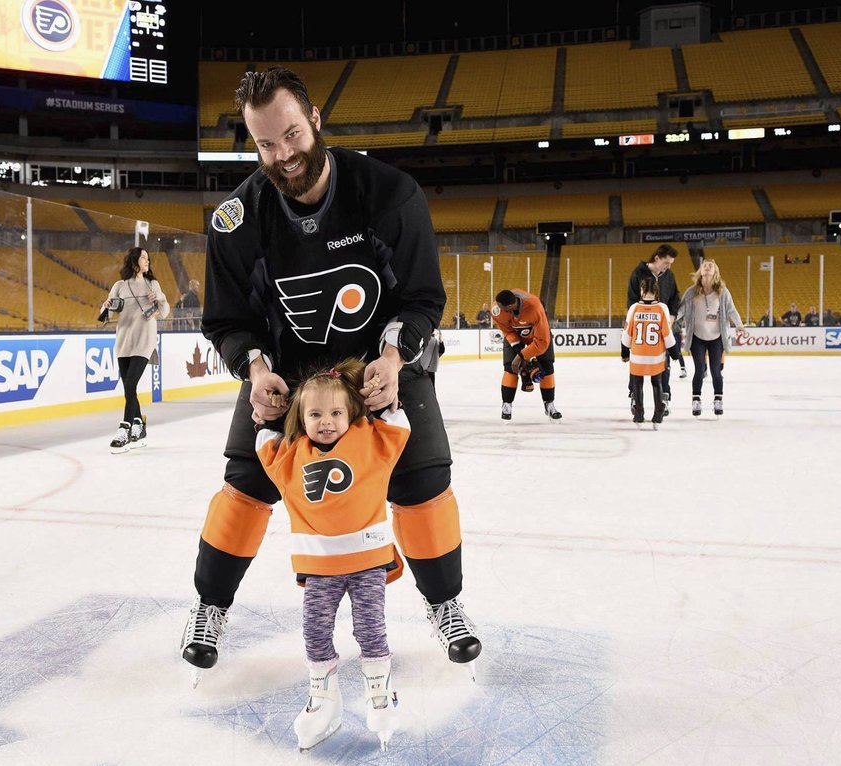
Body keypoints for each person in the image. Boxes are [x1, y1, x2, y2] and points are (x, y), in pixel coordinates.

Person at [179, 66, 480, 685]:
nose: (283, 155)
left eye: (291, 135)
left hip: (380, 363)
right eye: (266, 144)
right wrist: (256, 369)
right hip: (289, 374)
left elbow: (422, 297)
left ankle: (444, 603)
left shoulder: (389, 193)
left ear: (316, 121)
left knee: (423, 480)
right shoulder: (238, 219)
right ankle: (209, 608)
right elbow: (227, 320)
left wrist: (395, 361)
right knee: (246, 482)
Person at [254, 358, 408, 752]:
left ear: (351, 412)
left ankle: (381, 691)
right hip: (320, 568)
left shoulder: (371, 440)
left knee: (371, 628)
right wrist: (267, 411)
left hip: (367, 562)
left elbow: (396, 423)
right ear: (300, 417)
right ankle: (323, 697)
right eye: (316, 413)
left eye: (337, 412)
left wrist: (385, 398)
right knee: (315, 630)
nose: (327, 421)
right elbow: (265, 441)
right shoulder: (290, 455)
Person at [99, 246, 169, 452]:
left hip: (144, 340)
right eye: (144, 258)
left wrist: (157, 300)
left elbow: (164, 309)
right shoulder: (120, 286)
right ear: (134, 261)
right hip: (123, 341)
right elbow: (106, 312)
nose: (148, 261)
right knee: (130, 388)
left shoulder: (152, 284)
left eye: (148, 258)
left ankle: (125, 427)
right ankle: (139, 423)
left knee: (130, 384)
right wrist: (106, 306)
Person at [676, 259, 746, 417]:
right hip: (697, 337)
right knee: (700, 370)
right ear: (700, 271)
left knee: (716, 370)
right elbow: (682, 309)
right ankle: (696, 400)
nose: (707, 267)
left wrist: (739, 325)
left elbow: (731, 310)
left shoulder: (722, 292)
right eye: (704, 266)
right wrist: (672, 319)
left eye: (711, 266)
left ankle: (718, 399)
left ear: (715, 272)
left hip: (716, 337)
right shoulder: (691, 292)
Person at [491, 287, 562, 421]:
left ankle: (549, 404)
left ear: (511, 306)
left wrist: (522, 355)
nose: (498, 309)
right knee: (510, 368)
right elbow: (507, 331)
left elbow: (542, 342)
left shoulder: (535, 308)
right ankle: (506, 404)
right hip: (516, 336)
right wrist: (517, 349)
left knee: (547, 367)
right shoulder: (496, 310)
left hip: (538, 337)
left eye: (502, 307)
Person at [627, 243, 681, 415]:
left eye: (671, 263)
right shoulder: (638, 274)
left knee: (663, 365)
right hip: (643, 330)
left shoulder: (669, 275)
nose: (668, 266)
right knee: (637, 365)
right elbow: (632, 302)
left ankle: (664, 399)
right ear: (657, 258)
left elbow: (675, 297)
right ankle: (636, 399)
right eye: (666, 262)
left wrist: (672, 315)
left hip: (662, 330)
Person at [621, 276, 680, 428]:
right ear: (656, 291)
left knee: (637, 383)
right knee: (656, 382)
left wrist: (625, 353)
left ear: (641, 290)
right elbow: (667, 334)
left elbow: (627, 333)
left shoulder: (634, 308)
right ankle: (658, 412)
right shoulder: (662, 308)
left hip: (638, 355)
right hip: (656, 356)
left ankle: (639, 414)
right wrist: (674, 353)